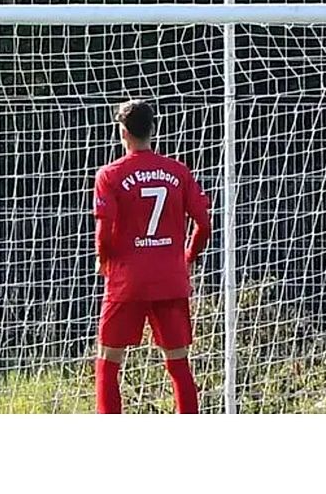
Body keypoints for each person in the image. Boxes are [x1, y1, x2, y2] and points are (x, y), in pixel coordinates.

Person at [93, 100, 212, 414]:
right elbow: (204, 224)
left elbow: (104, 232)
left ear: (122, 132)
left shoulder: (110, 174)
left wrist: (103, 260)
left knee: (108, 360)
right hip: (170, 280)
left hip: (127, 281)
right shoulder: (178, 171)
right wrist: (188, 257)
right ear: (153, 130)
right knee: (178, 362)